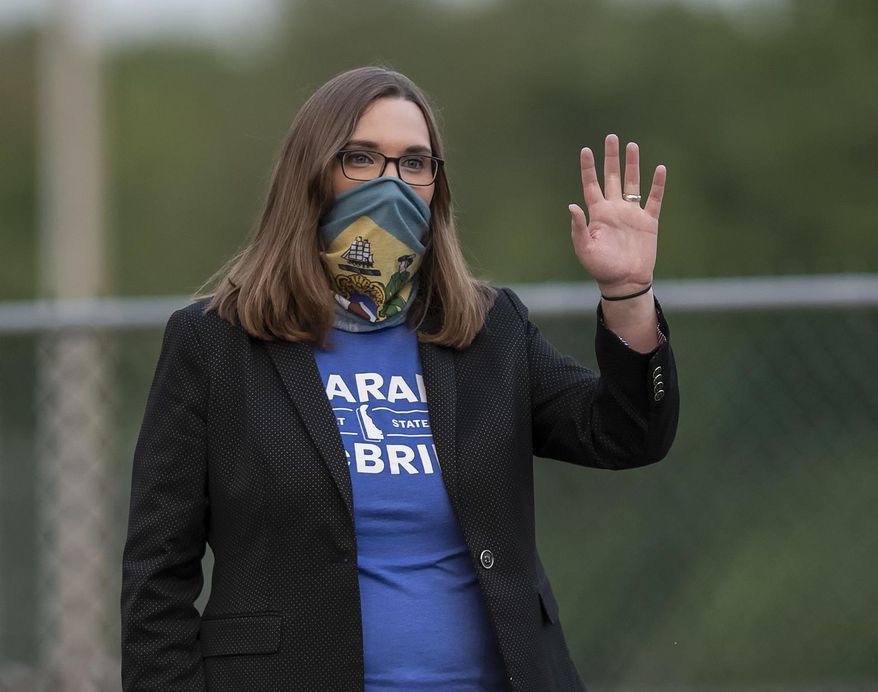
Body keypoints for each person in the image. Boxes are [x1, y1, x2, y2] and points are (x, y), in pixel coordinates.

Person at [120, 66, 679, 692]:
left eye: (415, 163)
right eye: (362, 158)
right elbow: (156, 579)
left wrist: (627, 293)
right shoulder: (216, 344)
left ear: (435, 187)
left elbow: (627, 433)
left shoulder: (488, 330)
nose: (393, 183)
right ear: (311, 174)